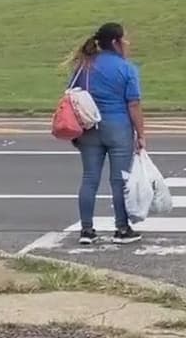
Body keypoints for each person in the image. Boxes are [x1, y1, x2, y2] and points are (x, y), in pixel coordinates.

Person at [69, 22, 146, 245]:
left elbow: (73, 95)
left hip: (89, 127)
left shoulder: (84, 66)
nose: (128, 43)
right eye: (125, 39)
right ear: (115, 42)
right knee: (119, 180)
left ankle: (86, 230)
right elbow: (134, 104)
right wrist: (140, 134)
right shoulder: (126, 68)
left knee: (89, 178)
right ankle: (122, 228)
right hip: (118, 126)